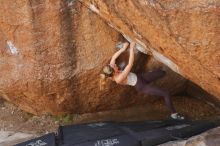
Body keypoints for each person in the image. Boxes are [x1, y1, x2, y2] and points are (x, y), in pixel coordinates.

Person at [100, 42, 184, 120]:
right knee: (166, 93)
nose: (114, 65)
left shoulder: (111, 68)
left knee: (161, 73)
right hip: (141, 86)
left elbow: (114, 58)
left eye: (113, 65)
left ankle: (164, 73)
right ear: (113, 72)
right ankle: (174, 114)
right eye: (114, 66)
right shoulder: (119, 78)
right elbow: (130, 64)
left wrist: (123, 48)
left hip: (140, 77)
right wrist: (132, 48)